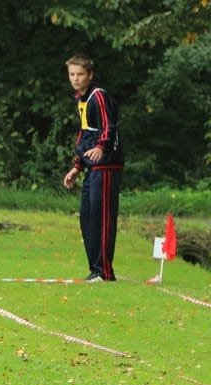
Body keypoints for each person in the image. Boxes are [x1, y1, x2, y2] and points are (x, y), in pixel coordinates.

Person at [63, 54, 124, 282]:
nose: (75, 79)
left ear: (90, 75)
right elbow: (85, 134)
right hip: (92, 167)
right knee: (87, 217)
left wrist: (102, 147)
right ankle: (95, 270)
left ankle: (104, 271)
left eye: (80, 74)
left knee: (102, 216)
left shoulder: (99, 96)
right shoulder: (82, 99)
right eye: (72, 74)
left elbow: (109, 126)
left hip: (106, 164)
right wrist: (77, 166)